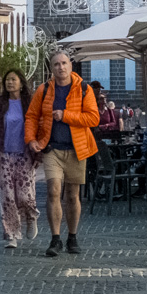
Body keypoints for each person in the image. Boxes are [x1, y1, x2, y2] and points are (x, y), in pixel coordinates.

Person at [26, 51, 100, 257]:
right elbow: (31, 116)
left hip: (77, 149)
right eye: (56, 64)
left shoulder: (84, 89)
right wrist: (31, 139)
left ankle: (72, 237)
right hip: (52, 149)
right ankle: (55, 239)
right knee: (53, 191)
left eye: (64, 63)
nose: (61, 67)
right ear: (52, 68)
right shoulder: (44, 89)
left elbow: (93, 118)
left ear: (71, 66)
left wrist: (65, 115)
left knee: (72, 195)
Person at [0, 69, 39, 248]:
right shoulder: (0, 102)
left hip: (25, 155)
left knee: (24, 196)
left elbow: (37, 127)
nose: (10, 82)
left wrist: (38, 153)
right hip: (4, 155)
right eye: (7, 79)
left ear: (21, 83)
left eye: (13, 79)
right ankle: (11, 234)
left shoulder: (29, 102)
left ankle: (31, 217)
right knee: (7, 197)